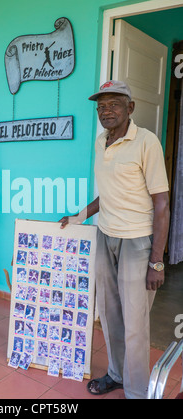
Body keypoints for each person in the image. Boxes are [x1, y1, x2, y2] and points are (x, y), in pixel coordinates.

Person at [60, 80, 170, 399]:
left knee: (135, 323)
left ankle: (136, 392)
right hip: (104, 235)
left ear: (130, 108)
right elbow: (107, 194)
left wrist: (157, 261)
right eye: (101, 106)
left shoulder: (146, 142)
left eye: (114, 104)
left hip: (137, 242)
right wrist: (80, 216)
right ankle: (116, 374)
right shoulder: (100, 141)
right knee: (108, 314)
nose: (106, 111)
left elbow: (162, 203)